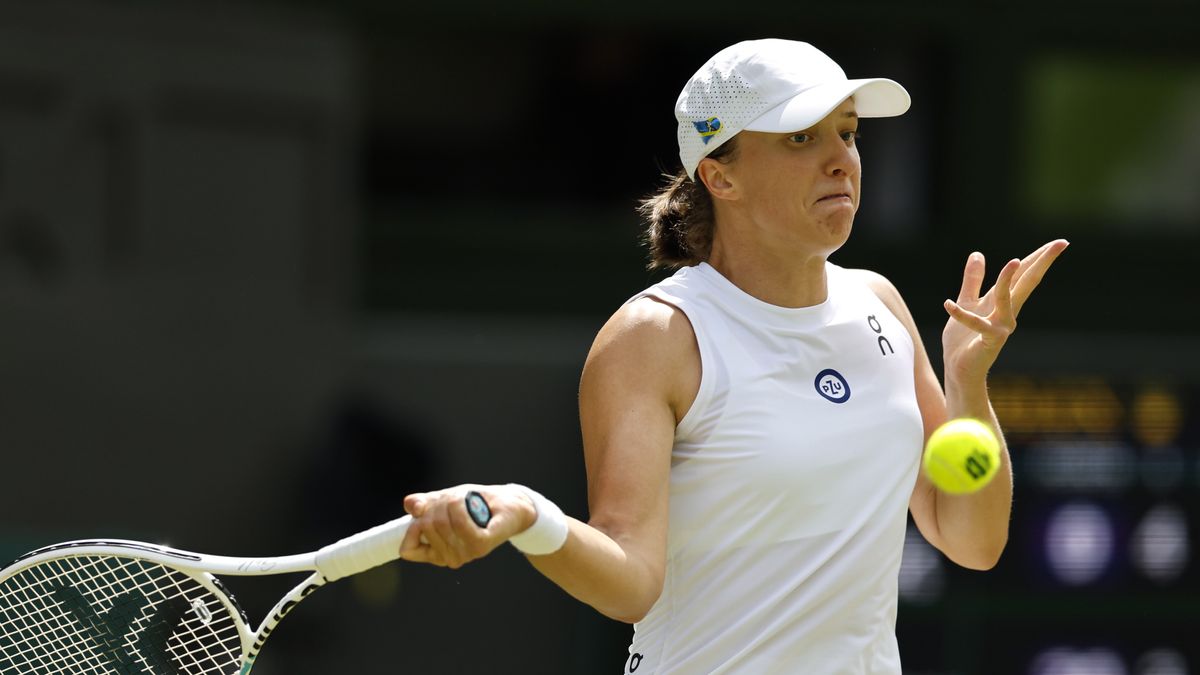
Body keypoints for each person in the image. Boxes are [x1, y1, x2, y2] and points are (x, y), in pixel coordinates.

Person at [397, 38, 1068, 673]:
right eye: (801, 137)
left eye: (848, 132)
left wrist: (967, 382)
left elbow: (972, 540)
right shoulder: (654, 337)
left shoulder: (879, 304)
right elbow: (630, 580)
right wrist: (528, 514)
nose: (841, 159)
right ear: (720, 176)